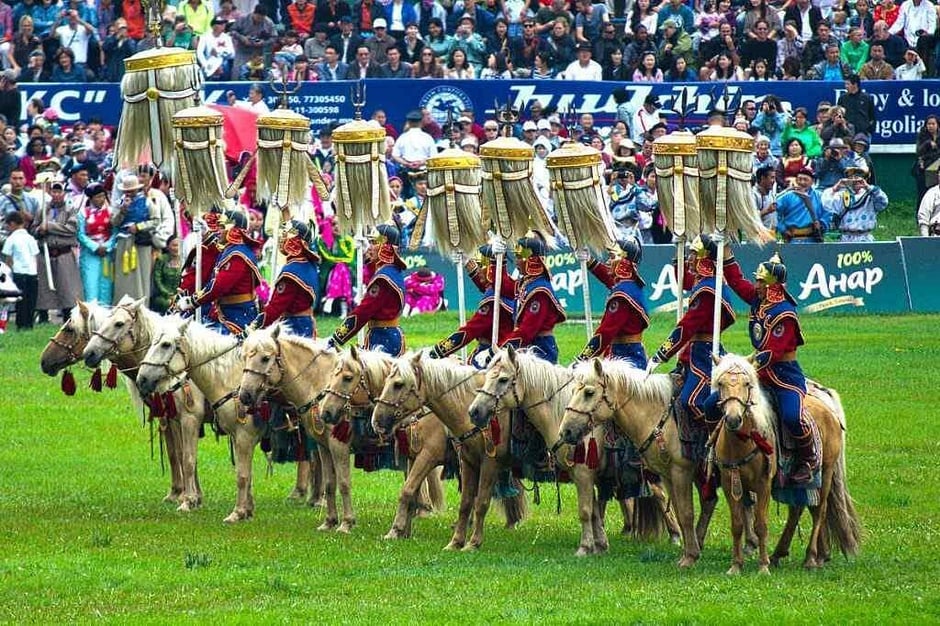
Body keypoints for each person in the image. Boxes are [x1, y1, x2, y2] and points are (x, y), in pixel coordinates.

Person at [719, 252, 816, 482]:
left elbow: (772, 352)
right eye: (758, 280)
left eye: (762, 281)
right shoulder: (759, 300)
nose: (757, 285)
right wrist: (727, 257)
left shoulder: (785, 314)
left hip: (784, 377)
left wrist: (744, 366)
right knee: (718, 402)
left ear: (773, 285)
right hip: (758, 375)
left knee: (792, 416)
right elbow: (737, 282)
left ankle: (808, 458)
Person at [646, 234, 735, 421]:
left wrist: (660, 355)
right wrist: (677, 253)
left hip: (704, 354)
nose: (690, 258)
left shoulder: (708, 289)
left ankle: (712, 438)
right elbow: (685, 281)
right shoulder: (704, 282)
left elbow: (687, 326)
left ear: (704, 258)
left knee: (691, 401)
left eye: (694, 254)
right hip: (694, 352)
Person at [177, 210, 262, 335]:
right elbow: (214, 247)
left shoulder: (238, 255)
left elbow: (218, 287)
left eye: (222, 227)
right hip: (224, 311)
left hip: (236, 316)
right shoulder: (231, 248)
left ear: (234, 230)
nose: (218, 231)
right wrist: (205, 233)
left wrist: (192, 301)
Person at [430, 243, 515, 367]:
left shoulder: (492, 300)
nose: (478, 270)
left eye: (482, 266)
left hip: (490, 354)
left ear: (491, 268)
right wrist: (466, 261)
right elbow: (484, 282)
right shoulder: (505, 286)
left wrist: (437, 351)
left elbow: (469, 332)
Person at [329, 224, 406, 355]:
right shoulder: (391, 271)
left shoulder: (383, 279)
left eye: (374, 243)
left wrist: (336, 338)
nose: (369, 247)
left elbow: (363, 312)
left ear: (386, 247)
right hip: (388, 336)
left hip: (383, 340)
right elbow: (371, 275)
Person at [577, 237, 649, 365]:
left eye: (611, 257)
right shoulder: (630, 285)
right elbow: (608, 278)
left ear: (623, 263)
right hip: (626, 355)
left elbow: (605, 333)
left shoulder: (622, 295)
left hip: (626, 361)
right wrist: (589, 261)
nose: (608, 261)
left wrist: (582, 360)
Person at [500, 231, 565, 364]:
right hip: (527, 347)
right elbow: (502, 286)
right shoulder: (526, 283)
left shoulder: (539, 290)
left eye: (520, 257)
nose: (517, 261)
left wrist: (501, 350)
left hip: (541, 350)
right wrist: (499, 261)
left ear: (532, 260)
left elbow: (527, 330)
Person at [253, 220, 320, 336]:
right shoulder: (308, 263)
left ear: (296, 242)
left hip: (294, 328)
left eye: (286, 234)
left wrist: (254, 326)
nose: (283, 238)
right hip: (306, 324)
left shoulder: (292, 271)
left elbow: (275, 308)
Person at [33, 180, 81, 323]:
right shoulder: (43, 210)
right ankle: (43, 316)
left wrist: (50, 226)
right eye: (54, 191)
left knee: (67, 286)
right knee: (44, 286)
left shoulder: (70, 210)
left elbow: (71, 228)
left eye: (59, 191)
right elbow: (33, 229)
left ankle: (68, 316)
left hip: (63, 252)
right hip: (45, 252)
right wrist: (39, 230)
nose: (56, 194)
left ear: (64, 193)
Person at [110, 174, 158, 304]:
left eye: (131, 190)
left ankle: (141, 304)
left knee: (141, 274)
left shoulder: (147, 202)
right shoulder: (119, 203)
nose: (129, 193)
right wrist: (122, 211)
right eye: (127, 191)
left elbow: (155, 221)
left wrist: (138, 227)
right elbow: (114, 222)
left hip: (140, 243)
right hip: (123, 242)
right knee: (123, 275)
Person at [821, 168, 889, 242]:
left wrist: (868, 187)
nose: (855, 181)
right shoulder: (842, 195)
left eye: (858, 178)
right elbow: (826, 205)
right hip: (846, 238)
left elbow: (883, 202)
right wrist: (836, 187)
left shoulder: (870, 195)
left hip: (865, 237)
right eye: (851, 179)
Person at [76, 182, 115, 304]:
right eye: (98, 197)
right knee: (90, 285)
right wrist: (95, 247)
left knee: (106, 286)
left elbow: (116, 232)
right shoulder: (83, 213)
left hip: (107, 253)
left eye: (103, 196)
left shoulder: (111, 212)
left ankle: (106, 316)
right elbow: (80, 234)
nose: (101, 199)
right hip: (89, 254)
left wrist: (107, 246)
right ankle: (91, 316)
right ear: (91, 198)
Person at [1, 211, 38, 330]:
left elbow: (8, 258)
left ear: (12, 224)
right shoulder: (30, 238)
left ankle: (21, 324)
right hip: (32, 273)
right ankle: (29, 324)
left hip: (19, 273)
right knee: (31, 301)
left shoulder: (11, 239)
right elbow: (35, 256)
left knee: (21, 301)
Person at [775, 166, 830, 242]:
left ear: (812, 181)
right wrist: (782, 229)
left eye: (805, 179)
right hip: (793, 239)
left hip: (813, 239)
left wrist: (821, 225)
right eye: (799, 179)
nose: (802, 182)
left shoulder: (820, 196)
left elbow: (827, 213)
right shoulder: (787, 196)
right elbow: (775, 212)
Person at [151, 235, 182, 314]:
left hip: (179, 296)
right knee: (168, 304)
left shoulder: (184, 260)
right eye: (174, 245)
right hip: (162, 297)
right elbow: (157, 279)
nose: (176, 248)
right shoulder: (162, 259)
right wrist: (168, 294)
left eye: (178, 245)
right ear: (168, 246)